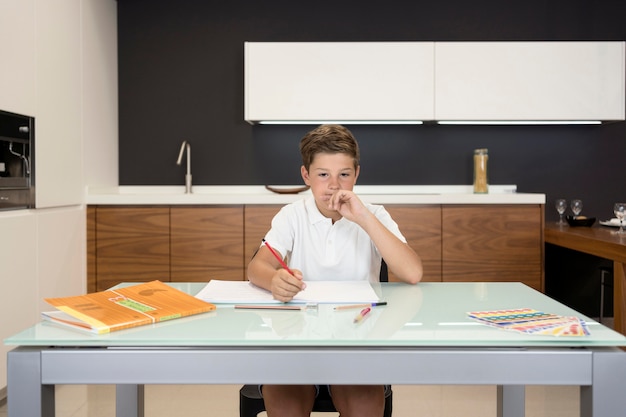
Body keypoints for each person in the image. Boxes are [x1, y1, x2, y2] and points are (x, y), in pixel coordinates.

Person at [247, 124, 423, 417]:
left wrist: (363, 217)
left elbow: (413, 273)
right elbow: (256, 267)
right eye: (322, 174)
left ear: (357, 174)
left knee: (364, 405)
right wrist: (274, 279)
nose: (334, 185)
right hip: (297, 343)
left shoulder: (374, 214)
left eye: (344, 174)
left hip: (357, 342)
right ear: (306, 175)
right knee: (285, 403)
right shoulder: (293, 215)